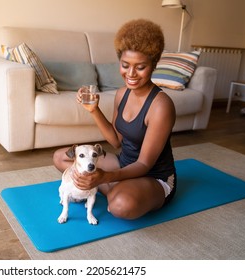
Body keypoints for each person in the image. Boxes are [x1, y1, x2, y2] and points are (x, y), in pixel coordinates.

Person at [53, 19, 176, 220]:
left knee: (120, 206)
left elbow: (144, 164)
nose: (131, 74)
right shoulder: (122, 94)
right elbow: (116, 141)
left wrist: (105, 177)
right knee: (61, 158)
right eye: (125, 65)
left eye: (141, 67)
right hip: (124, 162)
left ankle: (110, 189)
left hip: (153, 176)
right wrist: (94, 110)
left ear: (153, 64)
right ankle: (110, 186)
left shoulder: (161, 106)